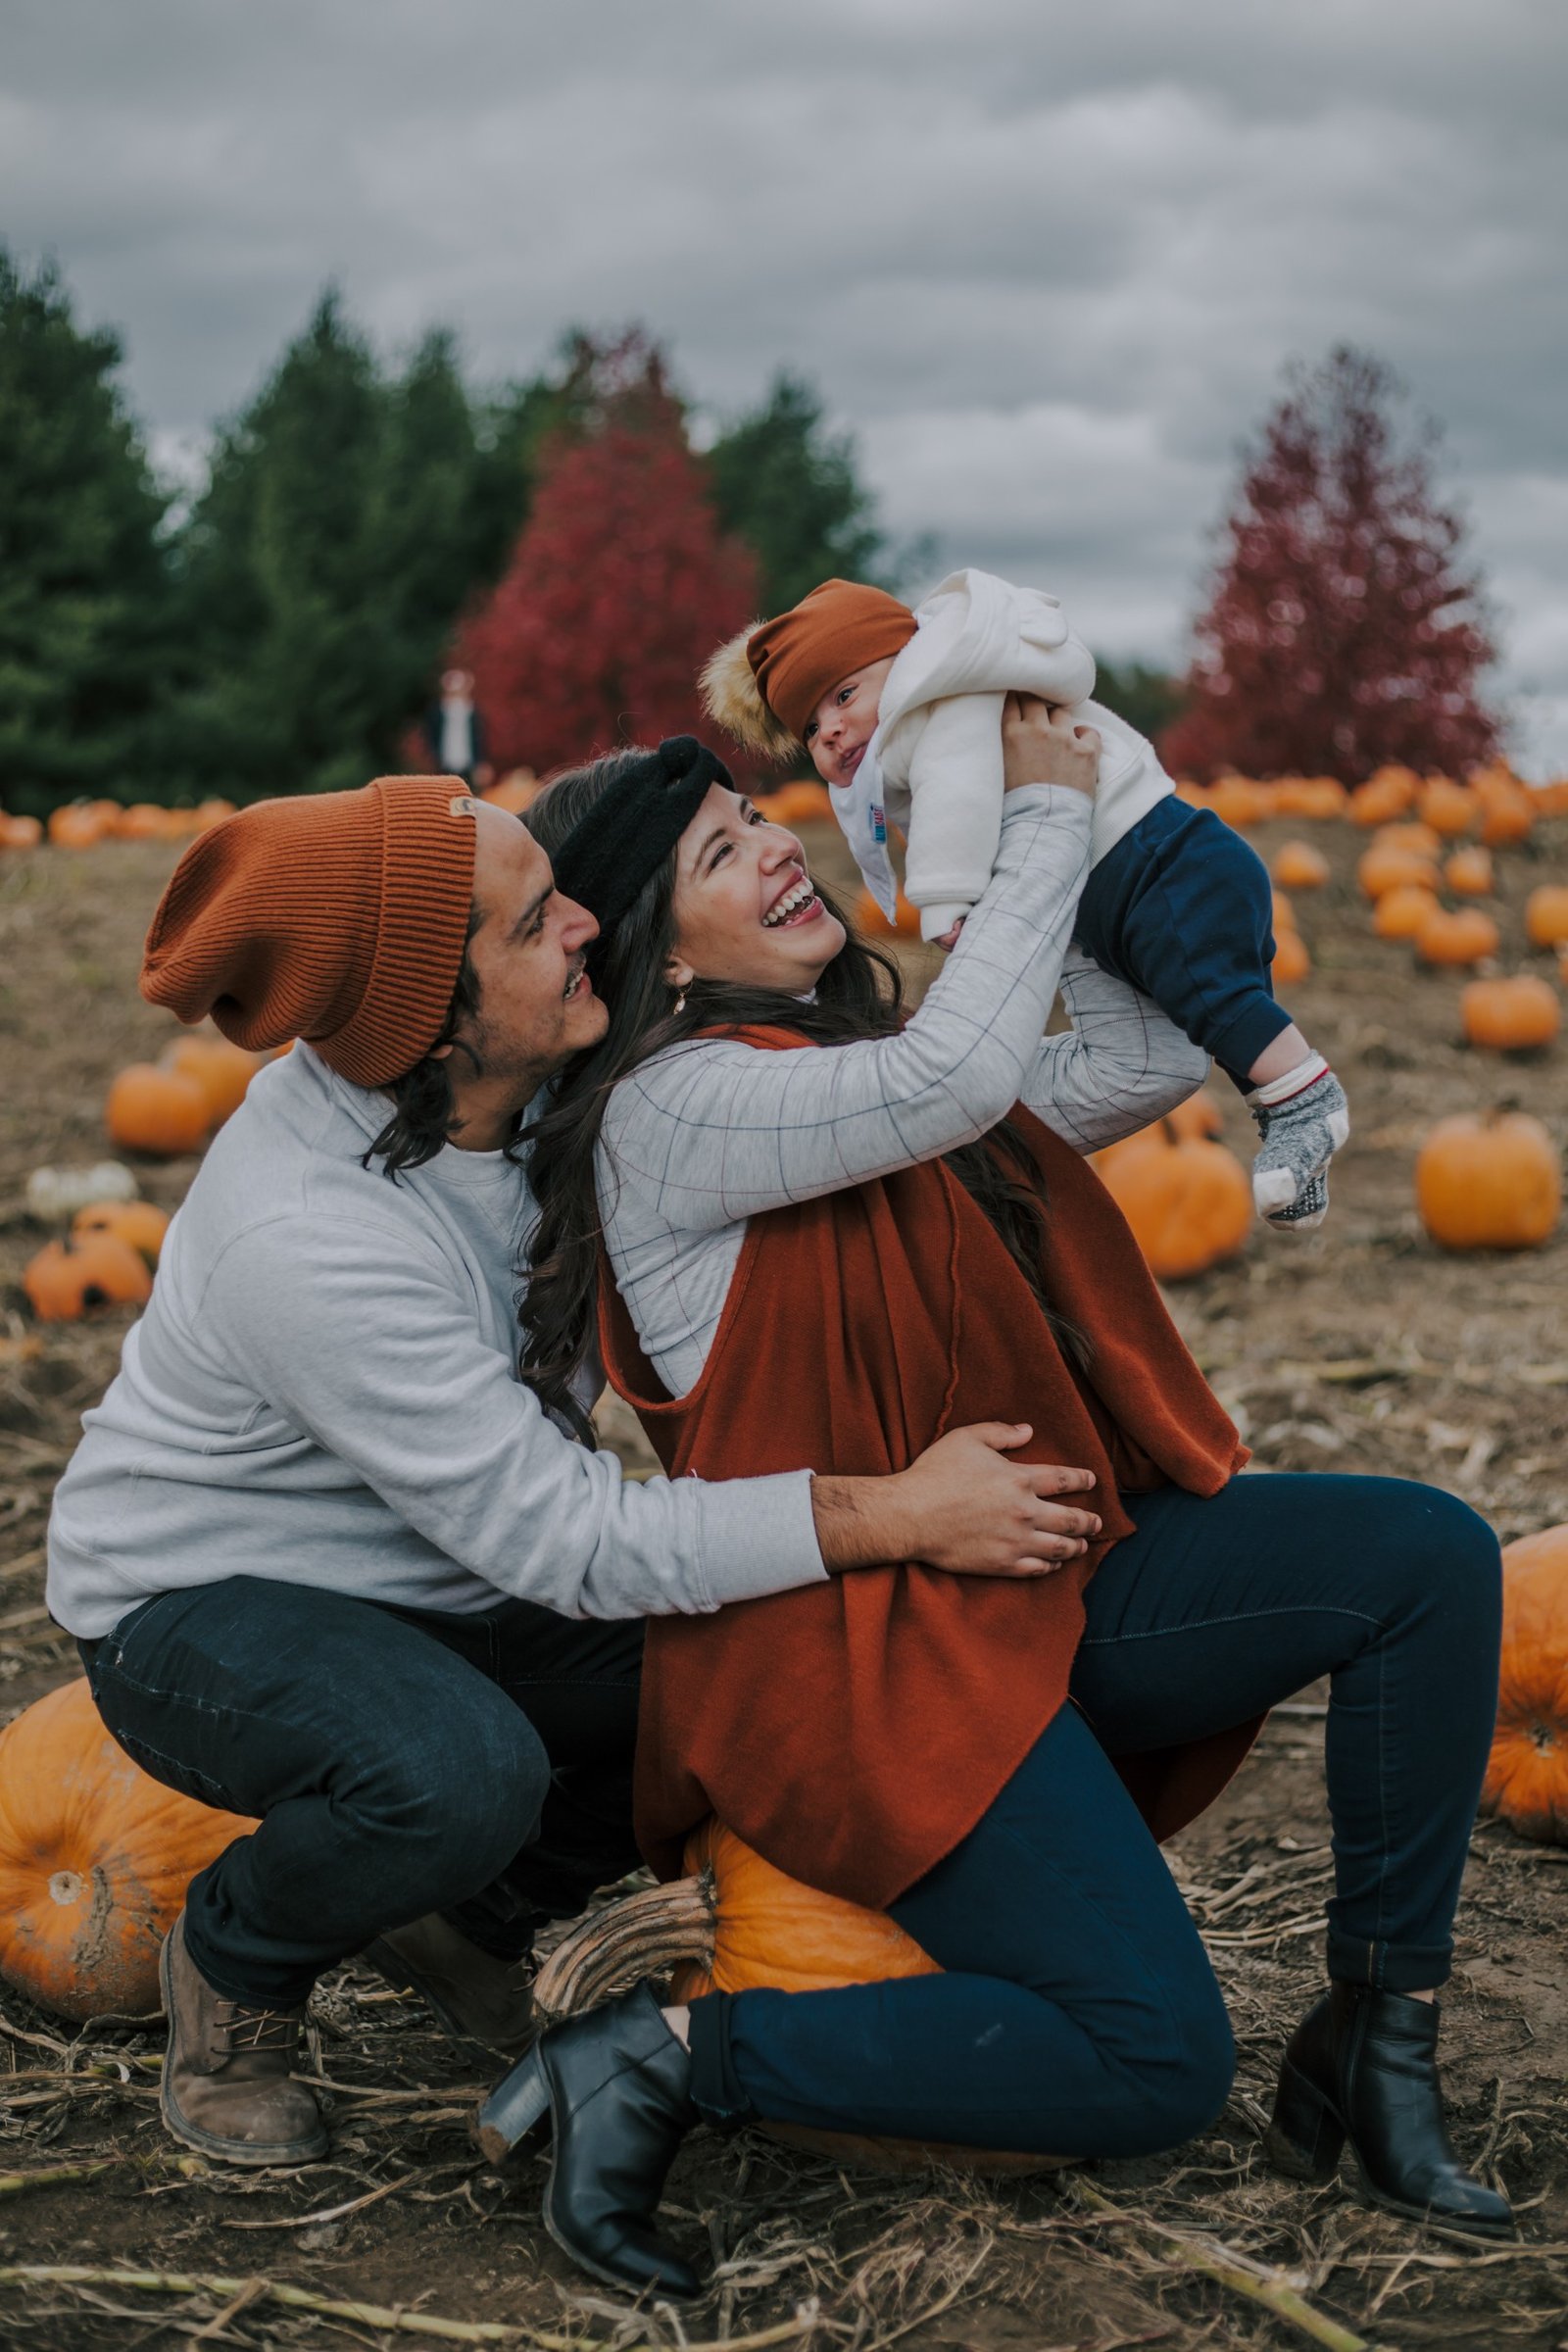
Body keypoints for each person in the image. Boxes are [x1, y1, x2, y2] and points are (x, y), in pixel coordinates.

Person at [478, 710, 1509, 2301]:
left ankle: (1378, 2039)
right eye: (718, 849)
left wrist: (1115, 814)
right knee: (1153, 2061)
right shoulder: (680, 1112)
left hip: (1023, 1576)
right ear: (655, 957)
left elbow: (1150, 1053)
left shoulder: (852, 1080)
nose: (775, 844)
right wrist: (1029, 815)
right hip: (862, 1657)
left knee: (1426, 1562)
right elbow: (954, 1078)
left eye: (758, 816)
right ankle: (668, 2057)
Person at [46, 770, 1098, 2173]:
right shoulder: (304, 1240)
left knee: (731, 1669)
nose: (591, 922)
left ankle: (465, 1917)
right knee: (455, 1768)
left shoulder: (558, 1084)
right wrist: (890, 1512)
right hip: (206, 1606)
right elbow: (573, 1544)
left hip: (443, 1562)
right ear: (433, 1019)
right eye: (537, 921)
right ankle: (237, 1961)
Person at [701, 570, 1349, 1229]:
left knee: (1218, 999)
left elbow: (961, 800)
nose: (833, 730)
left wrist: (948, 902)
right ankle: (1291, 1135)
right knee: (1211, 1010)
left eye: (843, 696)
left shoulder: (939, 709)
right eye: (811, 729)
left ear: (904, 666)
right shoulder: (916, 722)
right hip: (1112, 891)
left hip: (1157, 867)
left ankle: (1305, 1102)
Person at [423, 665, 492, 792]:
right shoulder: (438, 712)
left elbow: (480, 739)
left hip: (468, 764)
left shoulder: (472, 712)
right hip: (444, 763)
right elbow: (431, 736)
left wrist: (480, 762)